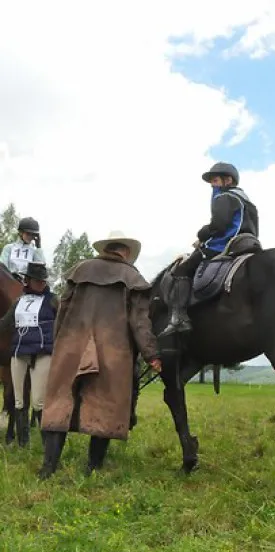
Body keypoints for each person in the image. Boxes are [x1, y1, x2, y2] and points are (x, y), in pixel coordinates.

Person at [38, 231, 162, 479]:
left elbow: (62, 311)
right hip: (112, 351)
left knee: (60, 402)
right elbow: (140, 322)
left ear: (106, 249)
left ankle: (49, 467)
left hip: (71, 345)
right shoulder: (132, 277)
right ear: (125, 252)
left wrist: (58, 345)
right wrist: (152, 354)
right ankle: (92, 468)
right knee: (106, 406)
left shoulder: (80, 270)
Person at [159, 162, 259, 339]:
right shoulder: (247, 200)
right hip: (248, 243)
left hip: (224, 243)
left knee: (182, 268)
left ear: (228, 180)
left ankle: (179, 318)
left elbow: (219, 225)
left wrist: (202, 235)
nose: (212, 185)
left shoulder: (224, 197)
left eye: (215, 180)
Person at [0, 262, 58, 447]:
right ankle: (23, 443)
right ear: (28, 281)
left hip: (42, 353)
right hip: (19, 353)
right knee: (18, 400)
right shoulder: (19, 302)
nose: (40, 283)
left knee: (39, 400)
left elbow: (65, 321)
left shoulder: (53, 300)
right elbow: (5, 324)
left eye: (42, 280)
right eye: (36, 280)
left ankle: (44, 443)